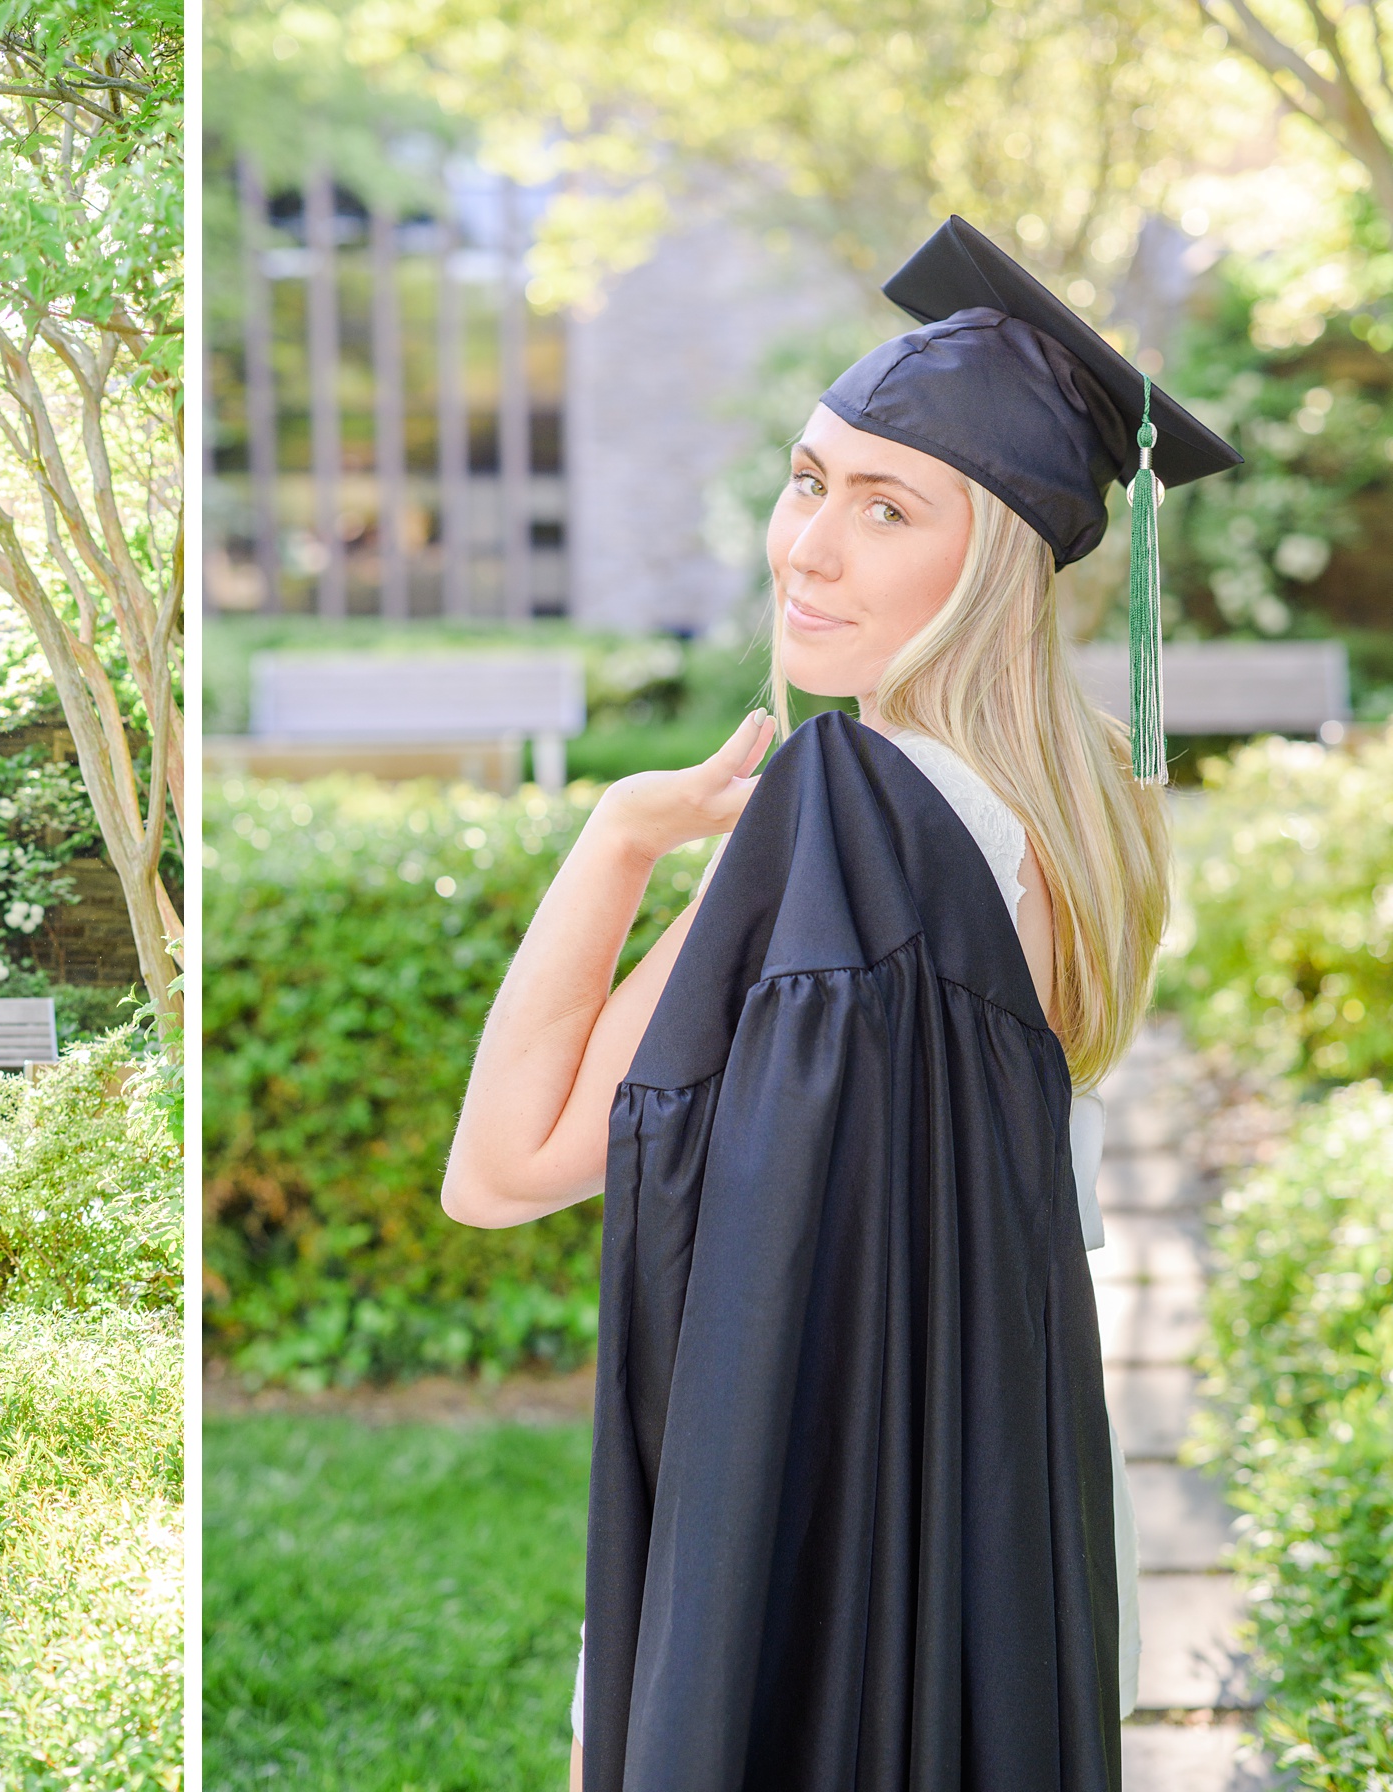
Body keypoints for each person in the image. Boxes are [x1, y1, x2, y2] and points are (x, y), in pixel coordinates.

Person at [444, 216, 1240, 1792]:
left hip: (812, 1555)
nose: (807, 546)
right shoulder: (1080, 822)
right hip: (1017, 1515)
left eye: (887, 508)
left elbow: (503, 1169)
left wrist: (617, 835)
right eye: (809, 481)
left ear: (995, 558)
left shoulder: (848, 817)